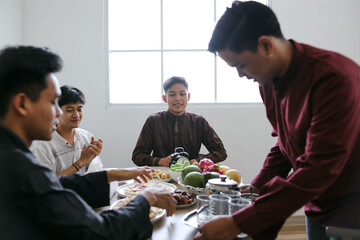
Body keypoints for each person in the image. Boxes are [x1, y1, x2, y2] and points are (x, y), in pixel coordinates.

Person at [195, 1, 360, 240]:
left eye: (240, 65)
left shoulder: (334, 80)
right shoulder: (269, 81)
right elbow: (287, 144)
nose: (240, 75)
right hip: (316, 204)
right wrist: (256, 187)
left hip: (352, 210)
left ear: (265, 44)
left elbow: (319, 167)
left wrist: (238, 223)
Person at [0, 45, 177, 240]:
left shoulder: (11, 155)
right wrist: (146, 198)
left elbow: (56, 185)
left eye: (79, 108)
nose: (58, 113)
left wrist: (115, 173)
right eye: (52, 103)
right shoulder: (19, 167)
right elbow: (100, 232)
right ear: (22, 104)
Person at [132, 76, 227, 167]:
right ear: (165, 98)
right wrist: (160, 161)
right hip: (161, 175)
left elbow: (220, 152)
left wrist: (196, 161)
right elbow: (137, 156)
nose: (178, 98)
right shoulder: (153, 120)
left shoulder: (199, 121)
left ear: (188, 96)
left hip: (190, 174)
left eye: (182, 94)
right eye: (172, 94)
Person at [30, 85, 104, 176]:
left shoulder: (87, 137)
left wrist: (93, 157)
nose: (76, 115)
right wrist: (79, 163)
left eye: (79, 109)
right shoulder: (42, 144)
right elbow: (45, 184)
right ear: (56, 111)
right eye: (69, 110)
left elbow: (94, 173)